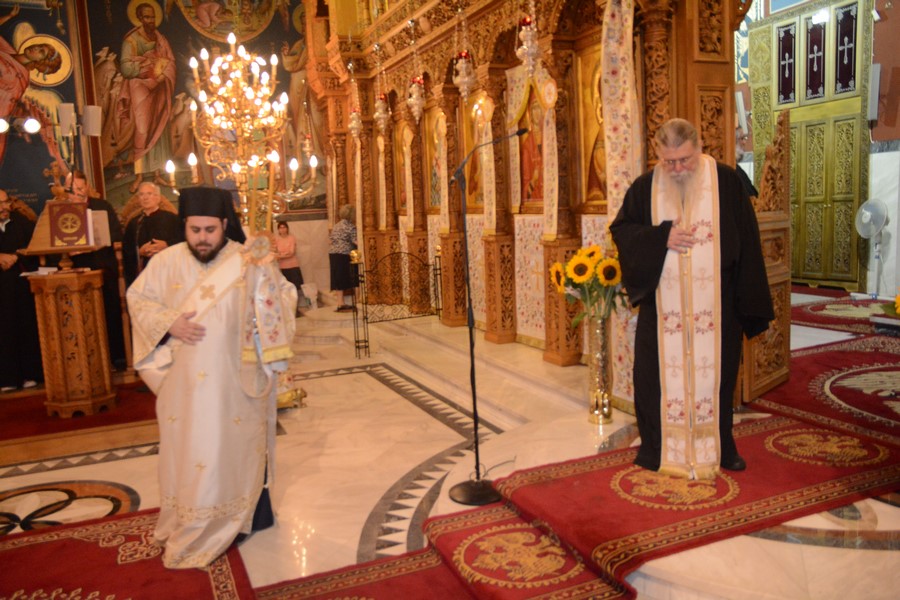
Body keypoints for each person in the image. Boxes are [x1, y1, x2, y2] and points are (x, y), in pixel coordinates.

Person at [127, 186, 297, 569]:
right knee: (191, 452)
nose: (202, 238)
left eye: (210, 230)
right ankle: (192, 517)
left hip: (236, 383)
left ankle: (241, 517)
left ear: (224, 224)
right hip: (183, 386)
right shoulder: (166, 262)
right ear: (184, 226)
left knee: (232, 450)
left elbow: (285, 298)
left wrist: (266, 282)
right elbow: (138, 299)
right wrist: (169, 322)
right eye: (194, 230)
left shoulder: (248, 259)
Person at [610, 118, 774, 480]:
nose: (678, 168)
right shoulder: (645, 188)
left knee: (718, 381)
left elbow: (748, 240)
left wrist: (748, 302)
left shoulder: (726, 182)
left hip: (717, 307)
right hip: (662, 312)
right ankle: (657, 449)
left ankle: (722, 446)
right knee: (655, 381)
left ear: (699, 148)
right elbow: (622, 231)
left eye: (684, 159)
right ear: (658, 155)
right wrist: (660, 238)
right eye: (669, 162)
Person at [67, 170, 127, 370]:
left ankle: (117, 357)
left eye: (81, 188)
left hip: (103, 266)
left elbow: (116, 234)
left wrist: (96, 243)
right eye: (74, 189)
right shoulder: (62, 210)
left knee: (109, 312)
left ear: (87, 187)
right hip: (77, 269)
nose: (79, 192)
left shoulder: (102, 206)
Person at [117, 1, 176, 192]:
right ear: (140, 18)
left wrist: (162, 73)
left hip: (159, 87)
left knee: (159, 127)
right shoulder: (131, 40)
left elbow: (170, 61)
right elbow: (126, 68)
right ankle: (139, 176)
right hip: (140, 87)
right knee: (142, 129)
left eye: (153, 17)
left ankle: (158, 174)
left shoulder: (161, 38)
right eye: (147, 17)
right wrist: (146, 66)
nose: (151, 20)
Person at [0, 189, 42, 392]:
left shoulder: (21, 222)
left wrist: (16, 256)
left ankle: (29, 374)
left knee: (25, 326)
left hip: (19, 286)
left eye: (6, 202)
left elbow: (35, 246)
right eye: (0, 204)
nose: (4, 207)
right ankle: (6, 378)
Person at [122, 181, 182, 286]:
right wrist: (139, 252)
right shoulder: (134, 223)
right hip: (144, 272)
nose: (145, 198)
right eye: (141, 194)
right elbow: (127, 250)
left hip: (168, 271)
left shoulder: (171, 218)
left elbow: (183, 240)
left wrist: (167, 245)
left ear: (158, 197)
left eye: (149, 194)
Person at [329, 204, 357, 312]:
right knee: (345, 277)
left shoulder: (336, 225)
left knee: (337, 278)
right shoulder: (350, 226)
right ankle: (349, 301)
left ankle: (340, 302)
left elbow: (331, 240)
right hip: (343, 254)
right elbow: (355, 241)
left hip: (333, 254)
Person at [275, 220, 304, 315]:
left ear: (287, 228)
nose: (282, 229)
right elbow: (275, 253)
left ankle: (296, 309)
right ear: (278, 230)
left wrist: (281, 255)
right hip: (283, 267)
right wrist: (283, 254)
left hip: (293, 266)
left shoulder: (291, 238)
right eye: (280, 228)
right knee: (285, 289)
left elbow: (291, 252)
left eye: (284, 227)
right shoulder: (276, 240)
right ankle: (288, 309)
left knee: (295, 288)